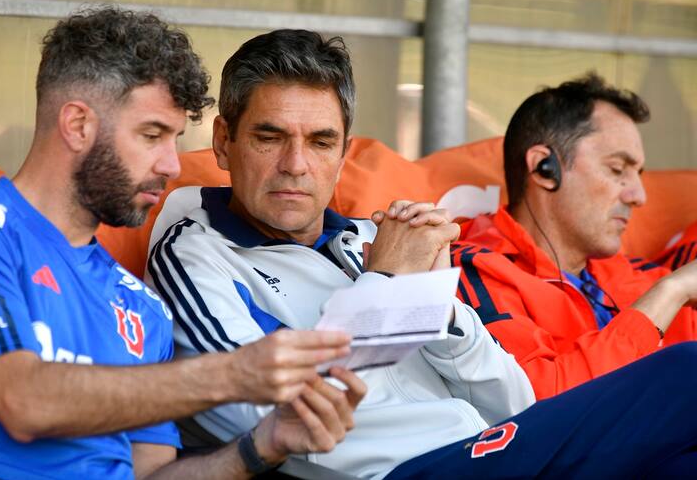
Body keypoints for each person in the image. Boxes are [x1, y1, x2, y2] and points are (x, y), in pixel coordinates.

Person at [146, 29, 697, 479]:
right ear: (223, 142)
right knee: (686, 373)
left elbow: (513, 399)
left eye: (320, 142)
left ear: (343, 154)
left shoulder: (364, 236)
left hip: (487, 447)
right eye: (270, 137)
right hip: (405, 472)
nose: (296, 164)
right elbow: (267, 422)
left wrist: (437, 307)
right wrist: (386, 279)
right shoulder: (196, 253)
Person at [0, 7, 367, 480]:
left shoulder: (140, 303)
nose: (172, 166)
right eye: (152, 135)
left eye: (176, 139)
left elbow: (150, 474)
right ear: (78, 125)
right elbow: (22, 401)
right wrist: (233, 373)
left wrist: (262, 447)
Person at [450, 73, 697, 399]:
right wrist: (671, 293)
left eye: (638, 174)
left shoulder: (633, 275)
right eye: (617, 169)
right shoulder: (474, 271)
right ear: (544, 168)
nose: (638, 196)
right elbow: (537, 400)